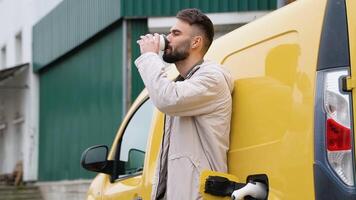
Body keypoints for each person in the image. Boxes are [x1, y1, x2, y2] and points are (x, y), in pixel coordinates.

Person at [135, 8, 233, 200]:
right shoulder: (183, 83)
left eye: (176, 33)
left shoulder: (212, 79)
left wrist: (149, 56)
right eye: (170, 32)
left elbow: (166, 98)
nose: (168, 38)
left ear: (196, 42)